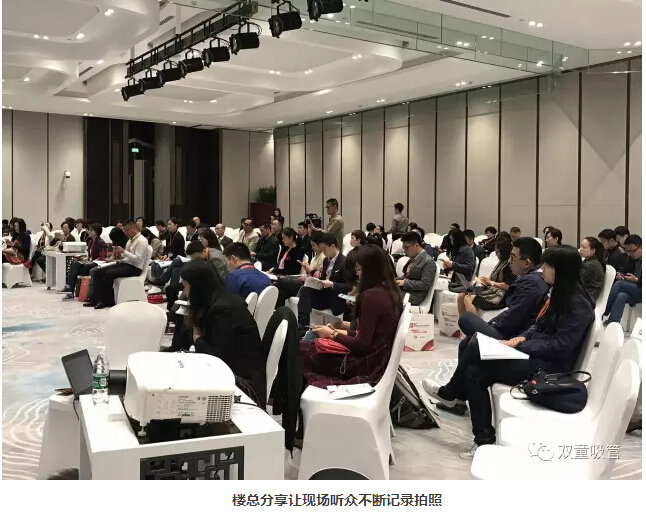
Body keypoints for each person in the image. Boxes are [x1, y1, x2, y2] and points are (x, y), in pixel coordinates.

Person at [426, 245, 594, 458]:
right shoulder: (561, 294)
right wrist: (521, 338)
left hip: (548, 369)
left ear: (562, 270)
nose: (543, 269)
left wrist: (519, 345)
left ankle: (453, 395)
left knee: (475, 349)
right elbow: (539, 326)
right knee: (474, 368)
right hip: (536, 356)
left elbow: (560, 346)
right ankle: (480, 435)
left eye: (548, 265)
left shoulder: (577, 304)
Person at [303, 245, 403, 388]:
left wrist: (333, 335)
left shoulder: (371, 296)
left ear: (370, 270)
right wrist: (334, 332)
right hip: (376, 360)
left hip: (363, 364)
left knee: (301, 350)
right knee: (307, 345)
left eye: (359, 269)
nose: (357, 274)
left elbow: (362, 344)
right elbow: (369, 336)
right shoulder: (390, 292)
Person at [175, 260, 266, 407]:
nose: (185, 293)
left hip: (241, 384)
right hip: (234, 372)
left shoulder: (223, 311)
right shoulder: (220, 301)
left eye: (186, 286)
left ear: (197, 287)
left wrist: (197, 339)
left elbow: (218, 359)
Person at [457, 237, 549, 342]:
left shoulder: (531, 283)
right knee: (468, 341)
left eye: (513, 257)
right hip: (512, 329)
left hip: (510, 336)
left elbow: (514, 316)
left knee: (466, 319)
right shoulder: (531, 278)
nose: (509, 261)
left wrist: (493, 325)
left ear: (527, 263)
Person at [84, 220, 149, 309]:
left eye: (126, 231)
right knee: (97, 272)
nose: (125, 234)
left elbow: (138, 259)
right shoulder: (131, 240)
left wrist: (123, 252)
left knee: (108, 274)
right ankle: (96, 298)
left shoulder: (141, 241)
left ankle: (106, 301)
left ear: (133, 229)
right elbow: (128, 256)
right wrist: (120, 258)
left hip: (135, 268)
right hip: (126, 264)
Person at [296, 233, 350, 330]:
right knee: (305, 290)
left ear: (333, 246)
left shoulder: (344, 262)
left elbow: (349, 286)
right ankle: (302, 324)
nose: (323, 252)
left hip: (335, 297)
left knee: (306, 294)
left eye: (325, 249)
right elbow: (323, 278)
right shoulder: (326, 260)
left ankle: (303, 325)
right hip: (324, 292)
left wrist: (333, 284)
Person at [458, 237, 515, 316]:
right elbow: (495, 280)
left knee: (468, 298)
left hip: (500, 296)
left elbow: (508, 286)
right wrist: (487, 280)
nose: (496, 254)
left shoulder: (509, 266)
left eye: (497, 252)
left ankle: (472, 323)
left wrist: (491, 282)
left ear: (504, 252)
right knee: (461, 296)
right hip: (492, 290)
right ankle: (462, 322)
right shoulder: (501, 263)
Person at [274, 231, 327, 308]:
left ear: (320, 245)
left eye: (314, 245)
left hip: (310, 286)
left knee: (281, 281)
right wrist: (307, 271)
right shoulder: (315, 257)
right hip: (306, 281)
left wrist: (310, 271)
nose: (312, 248)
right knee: (282, 293)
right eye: (311, 245)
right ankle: (279, 312)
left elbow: (319, 277)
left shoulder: (323, 257)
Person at [62, 224, 108, 299]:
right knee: (75, 264)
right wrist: (84, 259)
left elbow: (102, 257)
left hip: (95, 265)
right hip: (90, 264)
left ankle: (70, 289)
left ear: (96, 232)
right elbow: (89, 256)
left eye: (91, 230)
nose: (88, 232)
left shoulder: (101, 243)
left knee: (75, 266)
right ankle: (70, 289)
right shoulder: (90, 242)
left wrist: (91, 261)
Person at [604, 234, 642, 325]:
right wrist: (621, 275)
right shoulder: (633, 258)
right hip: (635, 289)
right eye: (627, 251)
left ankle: (604, 311)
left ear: (641, 247)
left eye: (631, 251)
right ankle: (612, 323)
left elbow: (637, 280)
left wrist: (636, 280)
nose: (630, 254)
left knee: (619, 284)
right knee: (621, 295)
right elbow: (626, 271)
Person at [165, 240, 212, 311]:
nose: (194, 260)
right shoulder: (199, 259)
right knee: (170, 288)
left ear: (203, 251)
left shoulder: (212, 260)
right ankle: (171, 310)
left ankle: (174, 312)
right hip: (193, 281)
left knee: (185, 293)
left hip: (201, 284)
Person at [396, 232, 436, 306]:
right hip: (406, 291)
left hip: (414, 296)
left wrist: (405, 283)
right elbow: (405, 276)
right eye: (403, 247)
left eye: (406, 247)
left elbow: (424, 284)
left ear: (416, 245)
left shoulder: (428, 262)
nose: (404, 250)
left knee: (385, 295)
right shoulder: (414, 258)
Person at [579, 236, 606, 302]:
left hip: (588, 297)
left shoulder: (592, 264)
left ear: (593, 250)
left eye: (584, 247)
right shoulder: (588, 261)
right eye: (580, 246)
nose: (580, 249)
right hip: (584, 293)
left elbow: (579, 281)